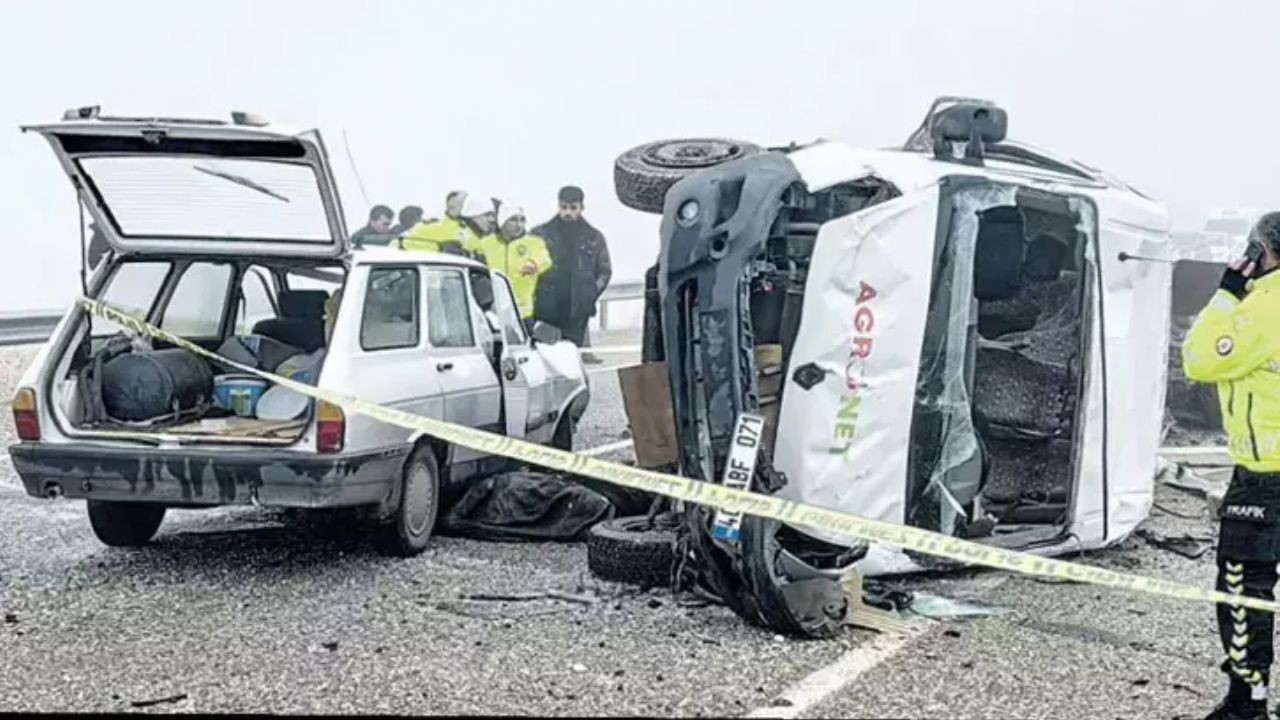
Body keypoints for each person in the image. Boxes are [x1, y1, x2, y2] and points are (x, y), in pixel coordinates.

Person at [1184, 211, 1280, 720]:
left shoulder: (1265, 306)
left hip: (1267, 473)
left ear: (1260, 253)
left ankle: (1248, 702)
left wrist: (1226, 294)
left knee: (1244, 582)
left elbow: (1199, 359)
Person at [533, 186, 612, 356]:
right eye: (564, 207)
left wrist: (590, 292)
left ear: (581, 208)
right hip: (546, 306)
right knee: (546, 356)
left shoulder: (594, 237)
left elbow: (604, 271)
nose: (568, 212)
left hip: (577, 308)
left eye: (573, 208)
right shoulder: (541, 234)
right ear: (558, 206)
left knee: (573, 357)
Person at [469, 203, 552, 319]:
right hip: (494, 311)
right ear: (502, 221)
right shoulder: (485, 243)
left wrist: (534, 263)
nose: (519, 225)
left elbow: (545, 259)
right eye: (513, 220)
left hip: (522, 313)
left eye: (522, 220)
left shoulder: (534, 243)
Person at [401, 191, 472, 254]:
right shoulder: (430, 227)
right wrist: (439, 247)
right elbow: (401, 243)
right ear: (449, 206)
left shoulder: (479, 231)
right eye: (461, 204)